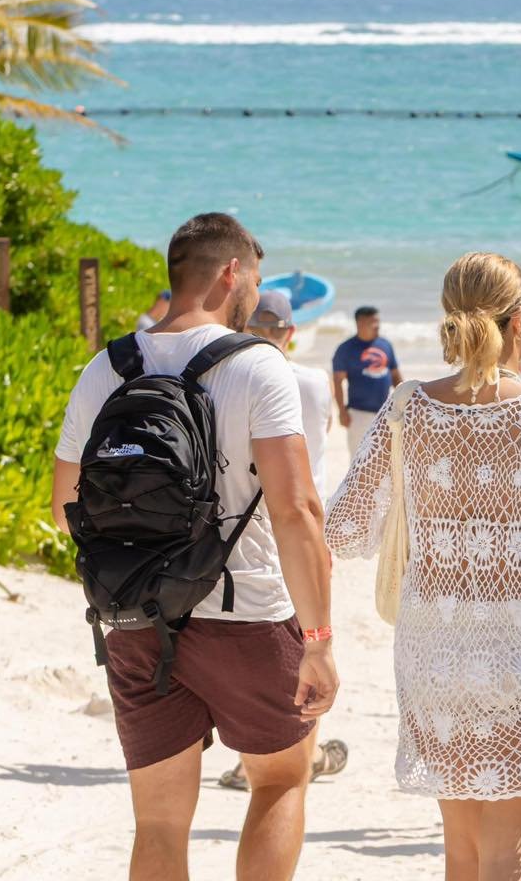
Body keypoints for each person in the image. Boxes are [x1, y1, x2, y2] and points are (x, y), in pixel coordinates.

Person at [51, 213, 339, 881]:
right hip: (246, 615)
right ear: (232, 273)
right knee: (280, 780)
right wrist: (319, 640)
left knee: (157, 822)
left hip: (135, 618)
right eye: (255, 279)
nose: (254, 293)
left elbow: (66, 508)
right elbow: (297, 512)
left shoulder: (106, 367)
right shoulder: (258, 367)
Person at [325, 252, 521, 881]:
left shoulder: (408, 409)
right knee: (510, 861)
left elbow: (345, 531)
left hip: (435, 656)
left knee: (462, 857)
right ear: (520, 320)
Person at [210, 288, 347, 793]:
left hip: (248, 527)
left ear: (246, 329)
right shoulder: (311, 381)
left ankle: (251, 760)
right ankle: (300, 755)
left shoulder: (234, 377)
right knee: (309, 643)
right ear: (291, 332)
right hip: (306, 525)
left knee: (258, 642)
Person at [332, 306, 402, 459]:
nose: (377, 326)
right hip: (358, 415)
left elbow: (396, 376)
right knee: (358, 459)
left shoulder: (385, 345)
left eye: (378, 321)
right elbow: (337, 382)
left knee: (385, 459)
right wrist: (342, 411)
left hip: (385, 413)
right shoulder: (345, 349)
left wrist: (404, 404)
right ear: (360, 323)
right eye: (373, 322)